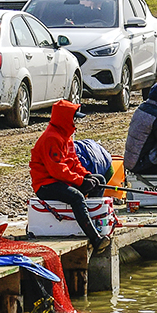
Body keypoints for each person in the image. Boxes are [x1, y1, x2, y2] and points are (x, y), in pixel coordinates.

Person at [30, 99, 112, 251]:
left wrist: (87, 176)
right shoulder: (51, 138)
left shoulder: (65, 136)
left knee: (99, 180)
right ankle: (95, 238)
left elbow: (74, 162)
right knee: (76, 197)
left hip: (60, 181)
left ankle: (91, 221)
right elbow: (57, 170)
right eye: (74, 119)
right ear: (65, 119)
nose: (75, 122)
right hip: (45, 185)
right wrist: (80, 181)